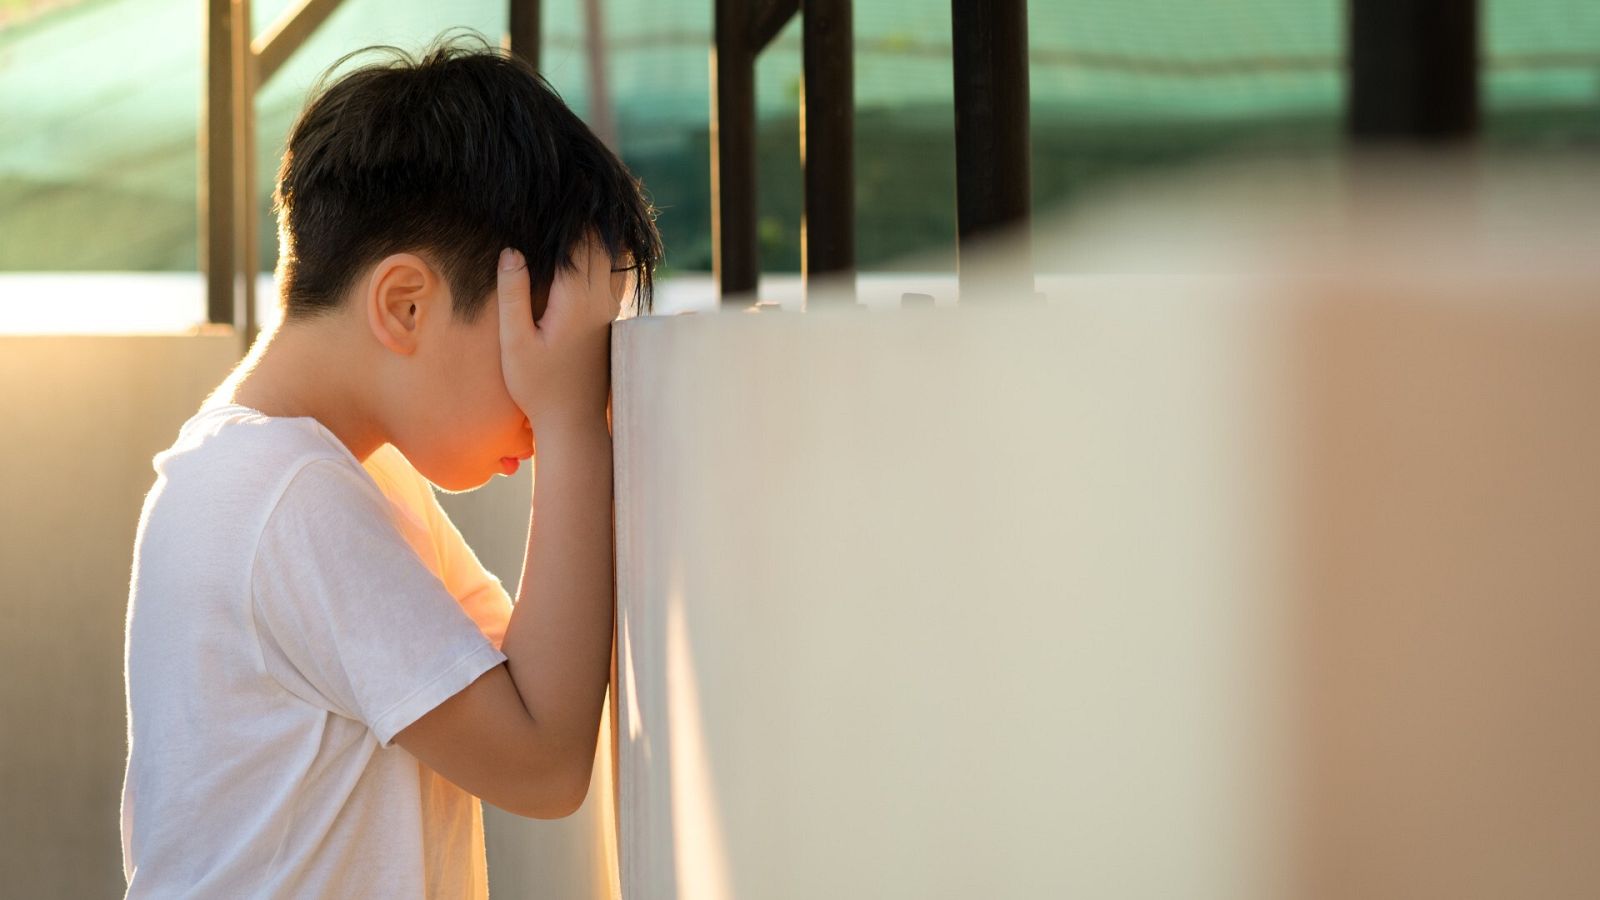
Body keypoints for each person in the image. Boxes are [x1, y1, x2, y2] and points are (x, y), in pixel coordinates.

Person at [119, 33, 661, 898]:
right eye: (537, 347)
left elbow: (533, 672)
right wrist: (566, 425)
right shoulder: (287, 497)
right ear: (405, 305)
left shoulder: (331, 476)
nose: (552, 382)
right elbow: (543, 760)